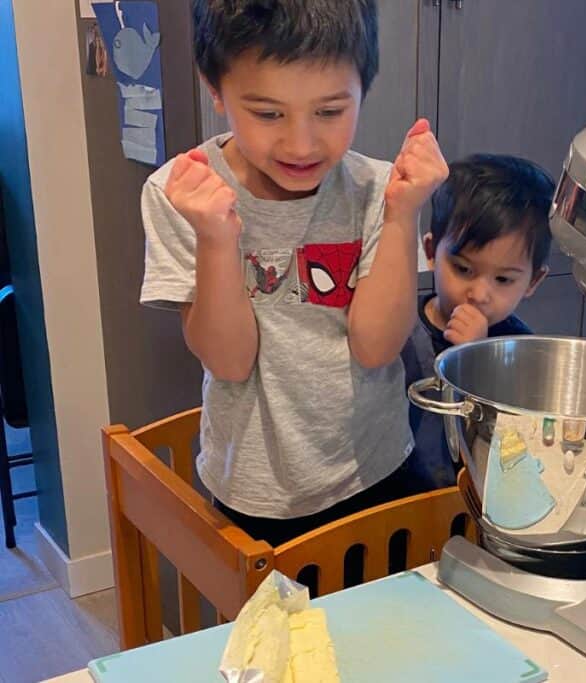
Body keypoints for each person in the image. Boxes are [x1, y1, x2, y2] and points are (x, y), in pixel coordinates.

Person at [139, 0, 448, 547]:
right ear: (216, 89)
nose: (302, 144)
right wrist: (216, 237)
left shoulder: (379, 189)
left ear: (362, 90)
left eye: (330, 112)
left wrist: (404, 214)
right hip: (255, 495)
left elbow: (377, 348)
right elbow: (230, 363)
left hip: (378, 472)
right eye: (267, 113)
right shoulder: (180, 193)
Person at [401, 154, 555, 488]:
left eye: (503, 280)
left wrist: (476, 360)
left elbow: (521, 446)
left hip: (473, 497)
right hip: (398, 497)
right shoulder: (400, 325)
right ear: (431, 252)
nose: (479, 293)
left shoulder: (519, 349)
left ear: (532, 281)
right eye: (464, 269)